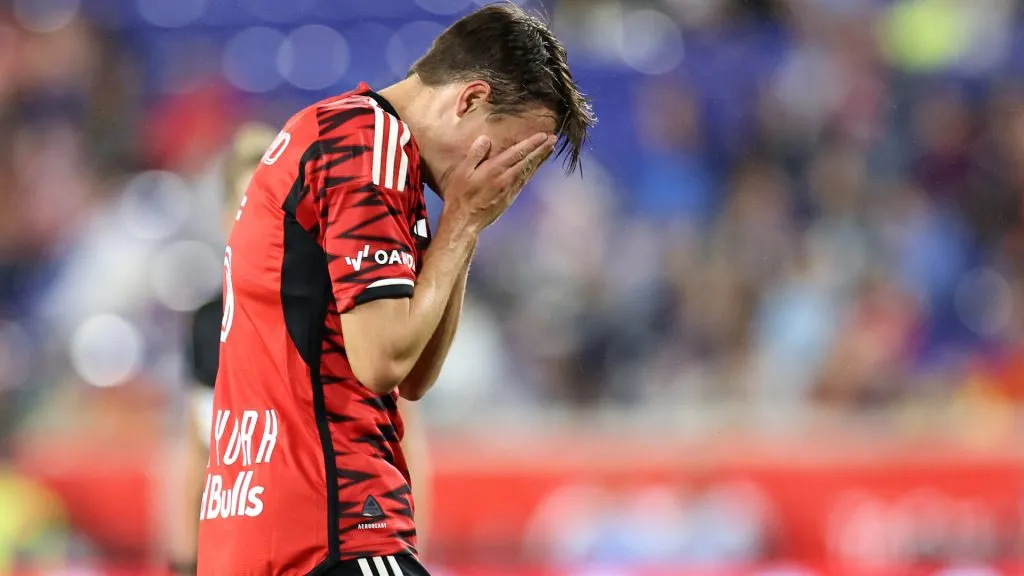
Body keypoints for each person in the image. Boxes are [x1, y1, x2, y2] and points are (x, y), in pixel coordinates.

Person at [196, 3, 593, 575]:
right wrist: (461, 222)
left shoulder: (356, 144)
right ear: (471, 99)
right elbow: (382, 360)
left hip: (260, 523)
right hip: (329, 526)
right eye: (509, 150)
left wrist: (464, 225)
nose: (507, 177)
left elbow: (415, 375)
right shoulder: (368, 143)